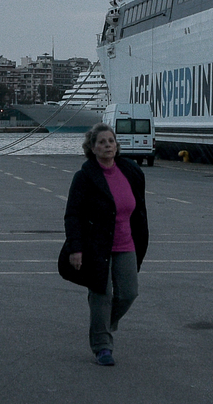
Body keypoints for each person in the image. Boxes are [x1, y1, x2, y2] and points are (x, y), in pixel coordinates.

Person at [65, 123, 149, 366]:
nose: (107, 146)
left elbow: (139, 209)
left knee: (129, 293)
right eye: (101, 142)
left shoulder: (131, 171)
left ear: (116, 145)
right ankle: (102, 346)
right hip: (96, 245)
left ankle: (101, 325)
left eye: (111, 141)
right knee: (102, 295)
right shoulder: (84, 177)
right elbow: (73, 214)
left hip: (127, 242)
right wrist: (76, 248)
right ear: (92, 147)